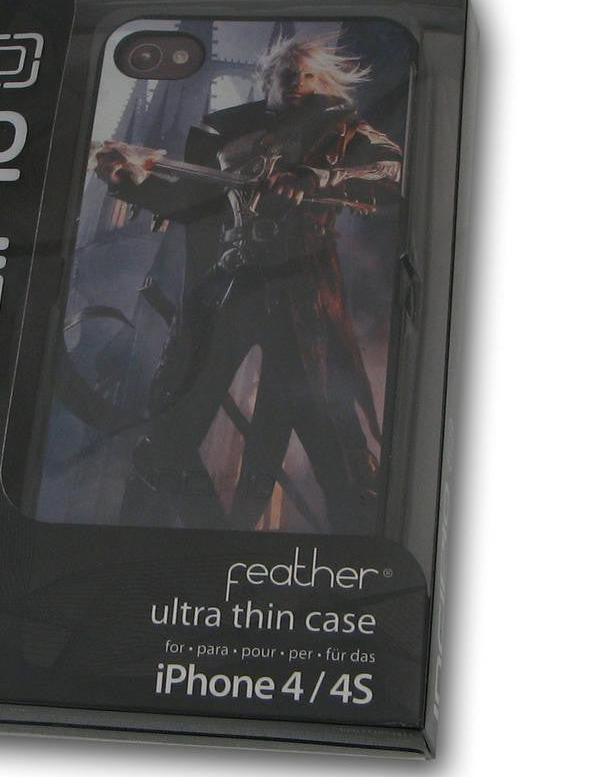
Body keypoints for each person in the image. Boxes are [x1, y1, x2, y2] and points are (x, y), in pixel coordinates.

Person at [93, 36, 403, 533]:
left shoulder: (342, 130)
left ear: (323, 81)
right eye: (288, 75)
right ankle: (158, 542)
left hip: (304, 293)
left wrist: (316, 177)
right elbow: (192, 204)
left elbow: (392, 169)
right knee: (173, 427)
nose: (298, 84)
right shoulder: (228, 134)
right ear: (268, 80)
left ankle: (353, 550)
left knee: (333, 440)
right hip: (235, 283)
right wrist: (125, 180)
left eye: (308, 75)